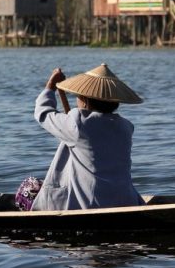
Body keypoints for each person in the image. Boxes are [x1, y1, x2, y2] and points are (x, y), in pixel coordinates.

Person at [30, 63, 146, 211]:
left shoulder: (77, 123)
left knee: (28, 187)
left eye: (79, 96)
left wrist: (50, 86)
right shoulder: (126, 127)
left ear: (85, 101)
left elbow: (43, 113)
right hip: (126, 201)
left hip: (89, 205)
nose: (77, 99)